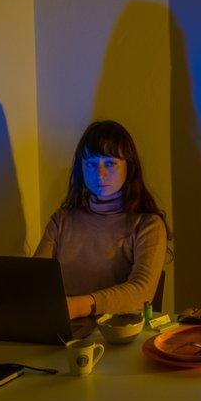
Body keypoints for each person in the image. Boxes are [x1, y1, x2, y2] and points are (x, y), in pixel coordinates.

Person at [34, 120, 169, 318]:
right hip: (61, 326)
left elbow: (142, 291)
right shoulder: (62, 220)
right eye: (91, 164)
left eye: (110, 163)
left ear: (129, 168)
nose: (100, 173)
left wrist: (76, 307)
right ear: (81, 167)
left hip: (117, 333)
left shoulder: (147, 225)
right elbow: (35, 279)